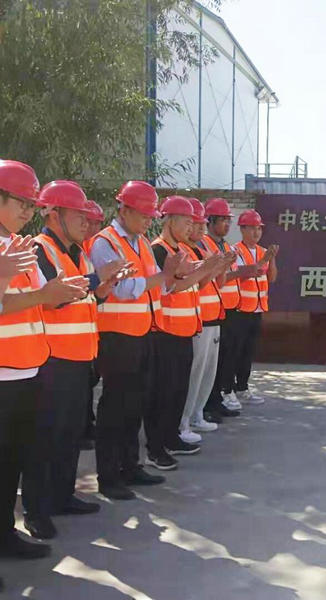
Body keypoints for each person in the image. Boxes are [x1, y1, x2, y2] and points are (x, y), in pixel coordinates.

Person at [21, 181, 130, 540]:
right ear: (54, 214)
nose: (86, 222)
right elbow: (52, 297)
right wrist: (98, 278)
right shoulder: (40, 249)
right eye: (78, 215)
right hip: (52, 360)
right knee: (45, 437)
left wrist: (102, 289)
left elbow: (83, 299)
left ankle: (62, 495)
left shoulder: (77, 253)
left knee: (69, 434)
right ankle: (37, 510)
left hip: (79, 357)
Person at [0, 159, 87, 561]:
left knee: (11, 463)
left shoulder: (17, 245)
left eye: (30, 205)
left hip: (28, 369)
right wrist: (40, 294)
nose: (27, 212)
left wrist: (57, 293)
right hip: (5, 374)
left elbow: (38, 299)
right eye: (21, 202)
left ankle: (6, 536)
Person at [89, 180, 185, 499]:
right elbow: (122, 289)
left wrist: (168, 276)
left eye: (150, 216)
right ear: (125, 210)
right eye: (144, 215)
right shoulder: (105, 242)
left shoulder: (141, 242)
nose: (148, 221)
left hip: (142, 333)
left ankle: (130, 466)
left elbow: (156, 283)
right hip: (116, 337)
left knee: (134, 406)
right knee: (114, 408)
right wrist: (162, 277)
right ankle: (108, 476)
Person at [147, 196, 223, 467]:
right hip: (165, 331)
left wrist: (211, 269)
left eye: (193, 223)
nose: (191, 228)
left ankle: (172, 437)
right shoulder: (159, 249)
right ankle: (156, 447)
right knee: (163, 393)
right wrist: (204, 270)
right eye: (187, 222)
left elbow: (194, 286)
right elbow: (170, 287)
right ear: (170, 220)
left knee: (178, 390)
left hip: (185, 330)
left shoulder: (181, 249)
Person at [180, 198, 235, 441]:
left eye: (203, 224)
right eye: (197, 224)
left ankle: (196, 414)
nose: (201, 229)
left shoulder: (202, 250)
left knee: (206, 374)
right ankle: (183, 421)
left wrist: (221, 267)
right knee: (192, 375)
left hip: (213, 317)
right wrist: (211, 267)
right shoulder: (183, 252)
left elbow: (215, 282)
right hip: (197, 319)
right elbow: (192, 283)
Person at [199, 198, 258, 422]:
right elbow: (215, 277)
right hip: (212, 312)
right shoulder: (205, 245)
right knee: (211, 364)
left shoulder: (224, 246)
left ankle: (216, 400)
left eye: (228, 220)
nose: (226, 225)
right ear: (210, 221)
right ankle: (207, 405)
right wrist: (243, 271)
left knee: (224, 360)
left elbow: (225, 276)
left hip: (227, 310)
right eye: (222, 220)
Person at [229, 209, 278, 407]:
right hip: (240, 310)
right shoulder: (236, 251)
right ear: (242, 229)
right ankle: (229, 389)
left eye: (259, 229)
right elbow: (246, 273)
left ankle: (242, 387)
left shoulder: (262, 251)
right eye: (252, 228)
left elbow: (271, 277)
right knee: (235, 351)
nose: (256, 233)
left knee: (248, 352)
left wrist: (271, 259)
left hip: (257, 309)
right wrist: (265, 259)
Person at [80, 199, 106, 450]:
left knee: (90, 381)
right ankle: (84, 427)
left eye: (98, 223)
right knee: (84, 385)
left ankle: (88, 424)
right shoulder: (78, 249)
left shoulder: (89, 249)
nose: (94, 228)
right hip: (77, 333)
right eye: (91, 222)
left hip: (92, 328)